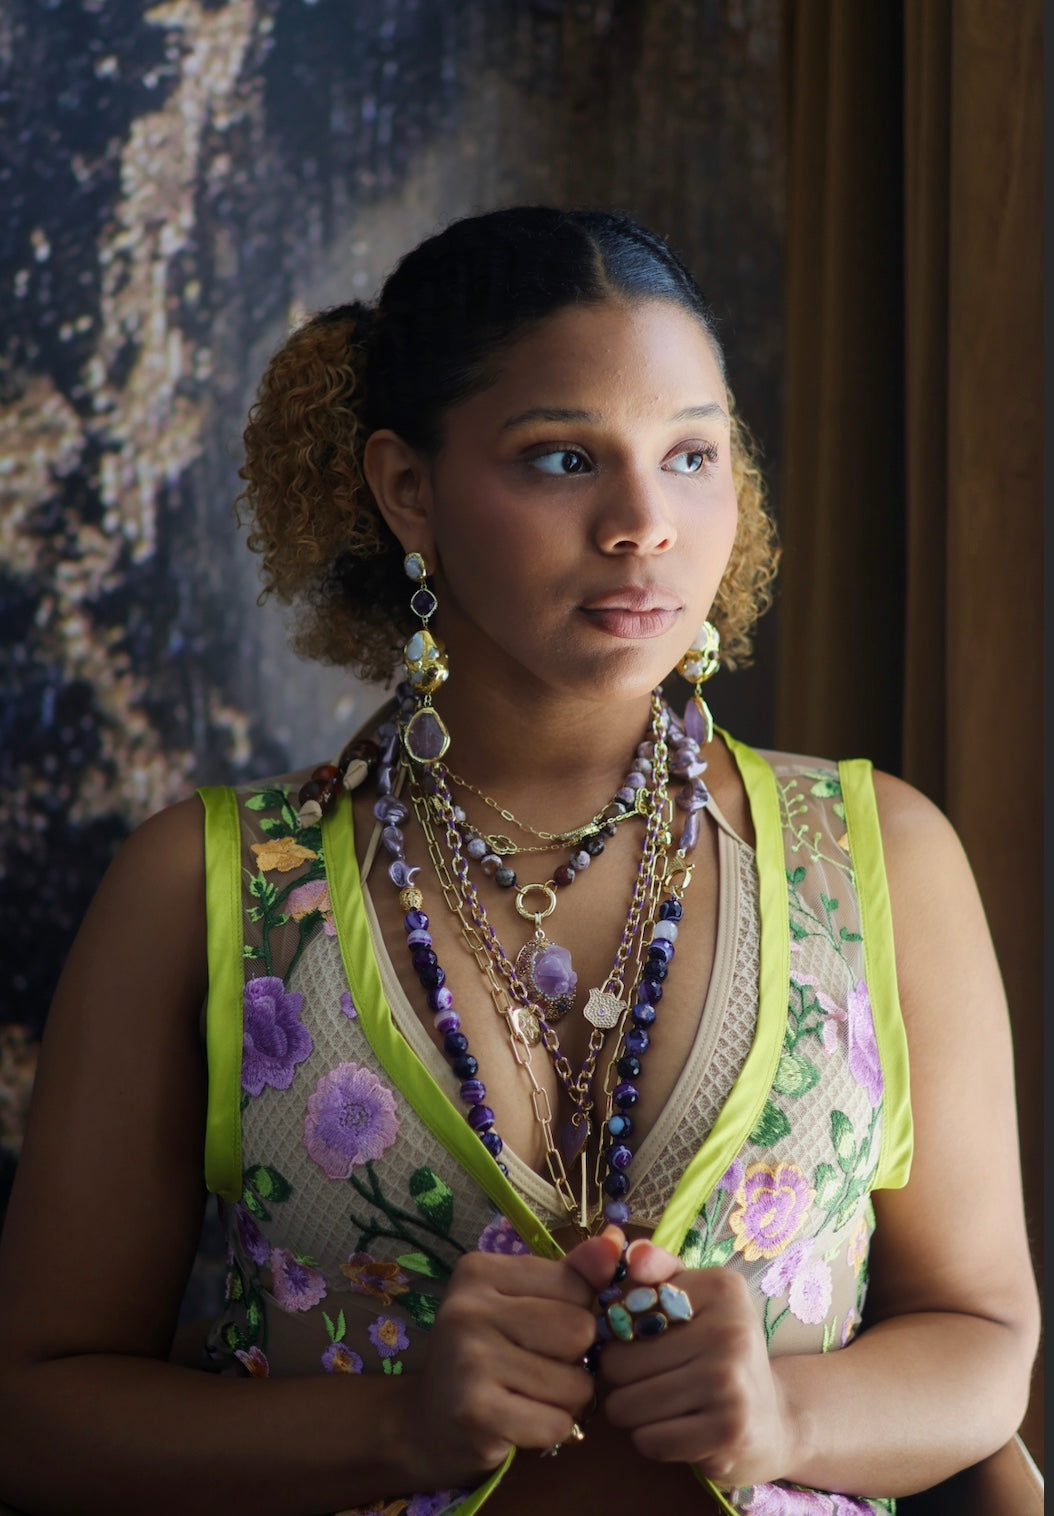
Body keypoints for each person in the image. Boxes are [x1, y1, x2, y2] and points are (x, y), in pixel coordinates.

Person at [0, 206, 1039, 1516]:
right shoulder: (211, 887)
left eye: (691, 455)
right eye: (561, 459)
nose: (642, 522)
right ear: (406, 489)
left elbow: (983, 1341)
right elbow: (33, 1409)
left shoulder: (879, 852)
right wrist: (390, 1427)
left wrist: (785, 1415)